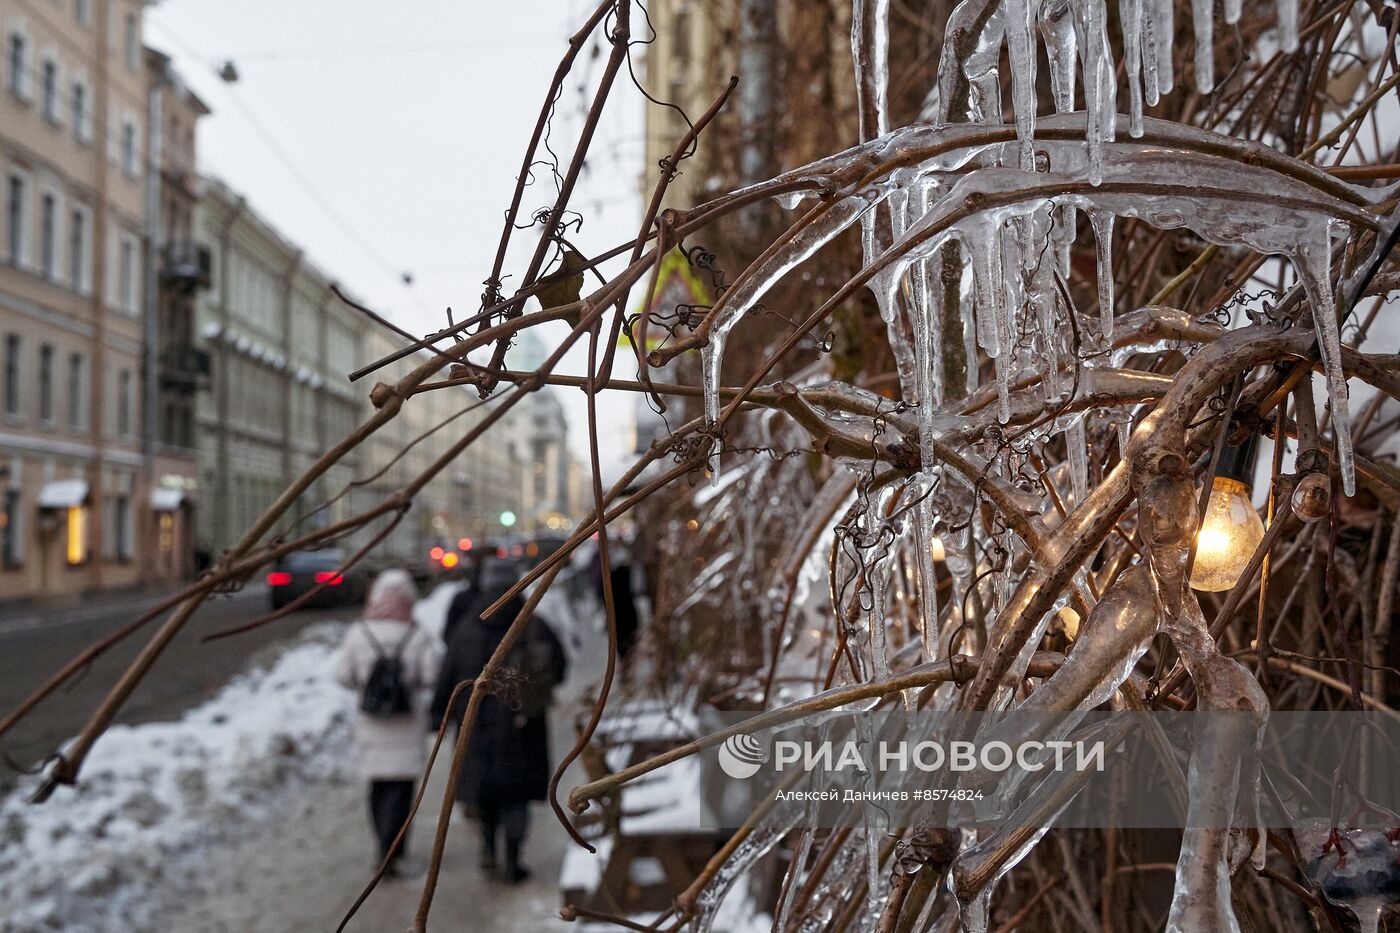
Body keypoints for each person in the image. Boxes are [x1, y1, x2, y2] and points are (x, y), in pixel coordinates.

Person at [431, 561, 567, 884]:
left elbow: (447, 676)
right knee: (516, 797)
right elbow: (560, 669)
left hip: (475, 729)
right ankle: (513, 860)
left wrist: (439, 714)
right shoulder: (533, 626)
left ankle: (489, 851)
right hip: (522, 729)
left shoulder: (466, 630)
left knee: (484, 794)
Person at [334, 569, 442, 877]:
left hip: (372, 722)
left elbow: (343, 676)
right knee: (401, 791)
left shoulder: (359, 633)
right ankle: (394, 850)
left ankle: (381, 846)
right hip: (406, 724)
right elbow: (430, 677)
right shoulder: (417, 634)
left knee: (377, 789)